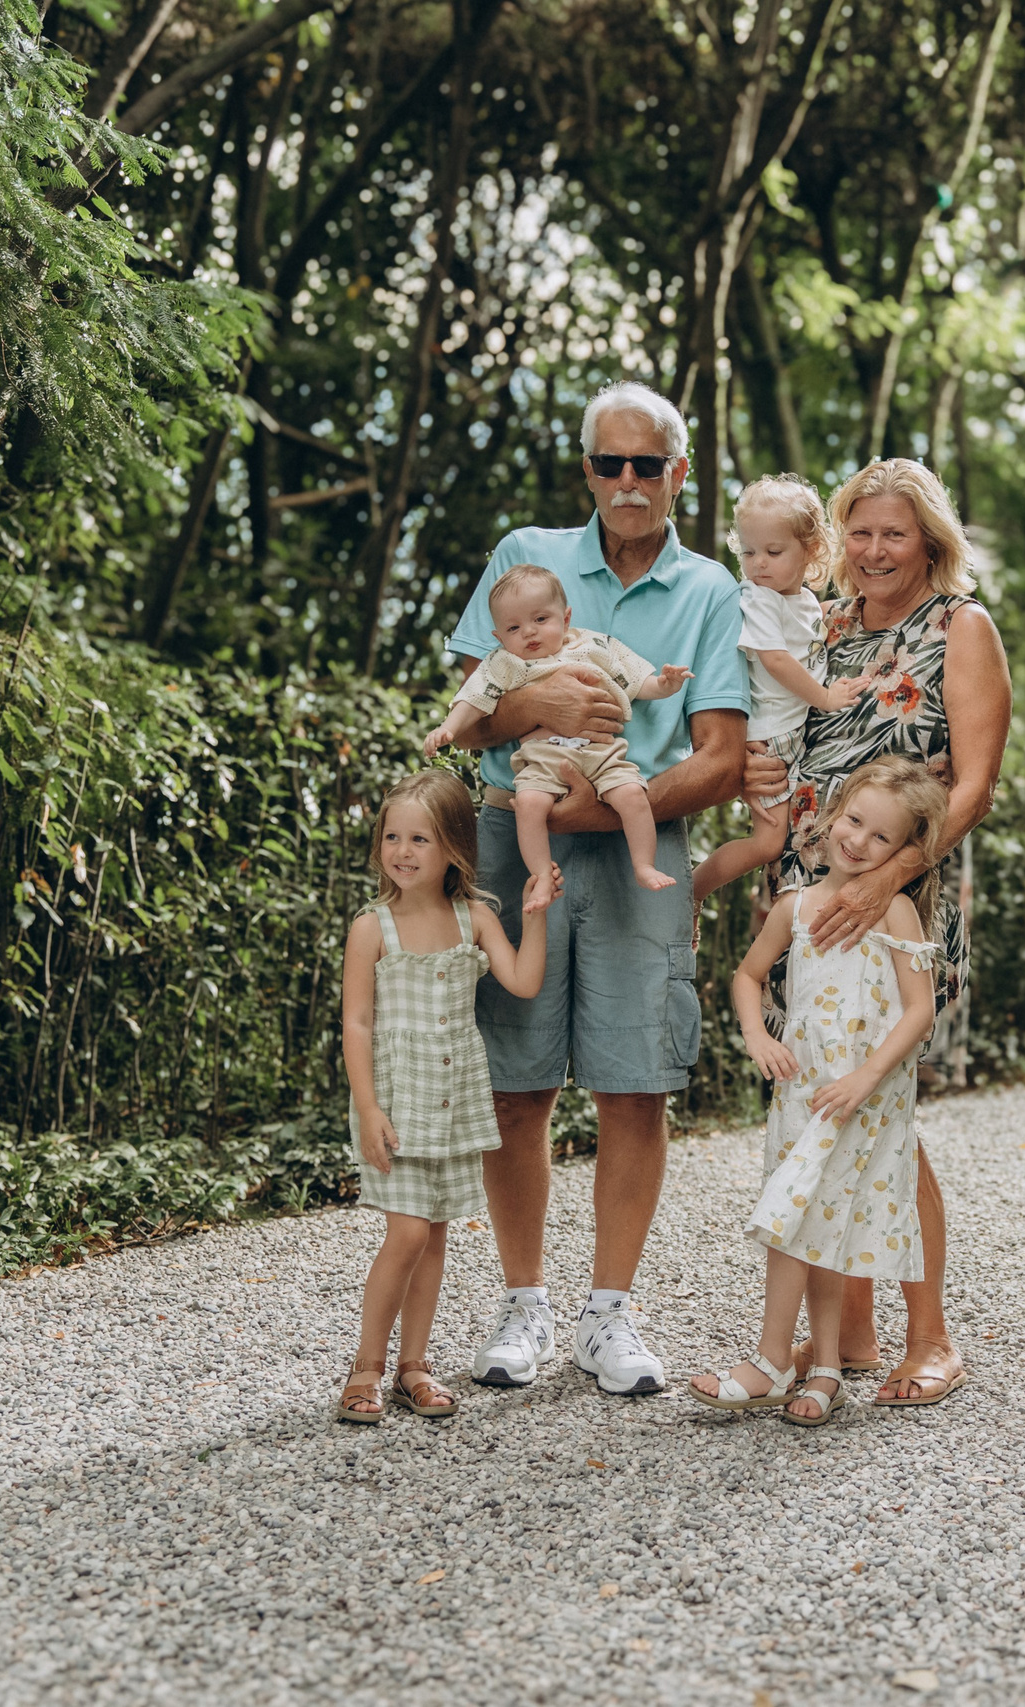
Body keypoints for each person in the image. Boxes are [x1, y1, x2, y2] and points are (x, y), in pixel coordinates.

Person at [440, 380, 764, 1396]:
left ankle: (608, 1316)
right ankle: (523, 1306)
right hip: (512, 839)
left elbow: (720, 757)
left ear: (679, 473)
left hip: (639, 842)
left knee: (636, 1086)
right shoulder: (523, 561)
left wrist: (599, 808)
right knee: (516, 1079)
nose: (628, 482)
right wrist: (532, 703)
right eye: (609, 463)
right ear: (587, 470)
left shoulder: (712, 589)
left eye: (648, 464)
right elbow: (467, 711)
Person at [774, 459, 1011, 1408]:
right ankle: (850, 1334)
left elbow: (974, 785)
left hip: (900, 904)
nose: (874, 551)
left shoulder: (961, 627)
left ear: (930, 542)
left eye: (895, 534)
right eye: (860, 532)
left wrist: (885, 880)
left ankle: (932, 1335)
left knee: (884, 1114)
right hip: (810, 895)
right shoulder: (821, 627)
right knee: (823, 1107)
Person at [693, 758, 946, 1426]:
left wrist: (867, 1077)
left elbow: (918, 1009)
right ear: (834, 815)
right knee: (806, 1220)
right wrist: (758, 1035)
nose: (859, 841)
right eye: (855, 820)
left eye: (881, 837)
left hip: (862, 1096)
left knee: (804, 1221)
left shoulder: (892, 909)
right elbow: (749, 975)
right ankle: (827, 1367)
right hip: (802, 1092)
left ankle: (773, 1359)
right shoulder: (795, 906)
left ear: (903, 852)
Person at [335, 773, 557, 1424]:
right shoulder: (372, 927)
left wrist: (536, 915)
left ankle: (413, 1366)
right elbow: (356, 1024)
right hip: (398, 1100)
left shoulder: (475, 918)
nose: (402, 851)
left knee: (433, 1236)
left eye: (420, 839)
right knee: (405, 1232)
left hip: (452, 1098)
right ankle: (365, 1368)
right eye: (392, 836)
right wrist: (368, 1109)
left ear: (454, 846)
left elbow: (523, 978)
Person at [425, 563, 694, 893]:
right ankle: (541, 876)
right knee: (527, 805)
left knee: (633, 796)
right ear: (498, 637)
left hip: (602, 753)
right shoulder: (505, 663)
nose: (529, 632)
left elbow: (636, 682)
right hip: (542, 759)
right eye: (513, 628)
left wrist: (666, 684)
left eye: (540, 620)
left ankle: (643, 864)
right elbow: (474, 697)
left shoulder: (592, 647)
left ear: (565, 618)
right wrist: (448, 728)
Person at [689, 477, 866, 904]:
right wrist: (825, 697)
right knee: (768, 843)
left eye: (773, 552)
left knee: (787, 835)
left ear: (811, 551)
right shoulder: (759, 598)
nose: (758, 564)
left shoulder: (803, 600)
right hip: (769, 738)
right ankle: (692, 891)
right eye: (748, 552)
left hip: (791, 731)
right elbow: (775, 659)